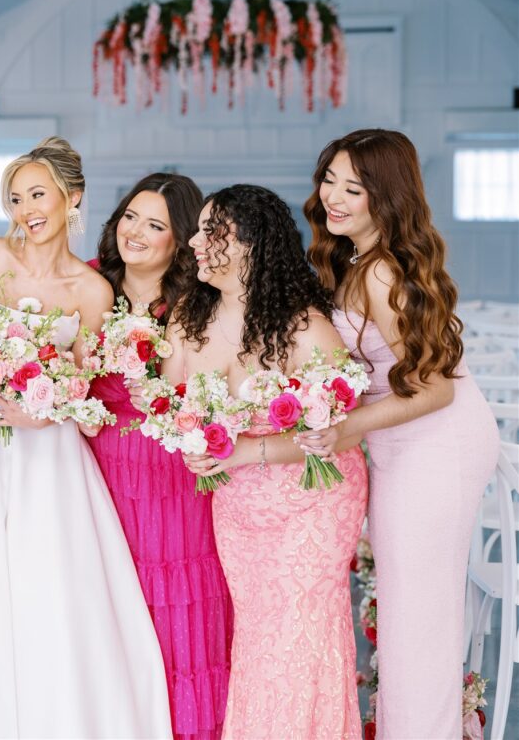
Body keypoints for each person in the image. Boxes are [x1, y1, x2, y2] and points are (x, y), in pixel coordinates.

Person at [0, 137, 171, 738]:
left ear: (71, 198)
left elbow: (83, 385)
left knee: (48, 590)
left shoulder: (92, 291)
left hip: (47, 453)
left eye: (38, 194)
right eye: (14, 198)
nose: (25, 209)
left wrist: (45, 411)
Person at [302, 129, 499, 739]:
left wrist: (348, 426)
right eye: (329, 180)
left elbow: (435, 386)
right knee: (408, 611)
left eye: (353, 188)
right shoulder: (357, 260)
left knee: (418, 617)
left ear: (384, 198)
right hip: (404, 442)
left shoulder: (382, 273)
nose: (333, 197)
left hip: (437, 443)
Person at [172, 184, 367, 740]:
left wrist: (244, 451)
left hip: (313, 501)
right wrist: (182, 432)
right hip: (239, 507)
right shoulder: (190, 316)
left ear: (251, 244)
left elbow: (337, 433)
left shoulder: (304, 325)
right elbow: (171, 402)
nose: (193, 242)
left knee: (300, 633)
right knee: (260, 637)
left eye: (209, 231)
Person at [87, 173, 232, 740]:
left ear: (181, 240)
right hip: (100, 472)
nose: (137, 233)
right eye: (130, 217)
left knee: (176, 606)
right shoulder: (90, 285)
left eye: (156, 225)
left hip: (172, 477)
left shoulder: (196, 304)